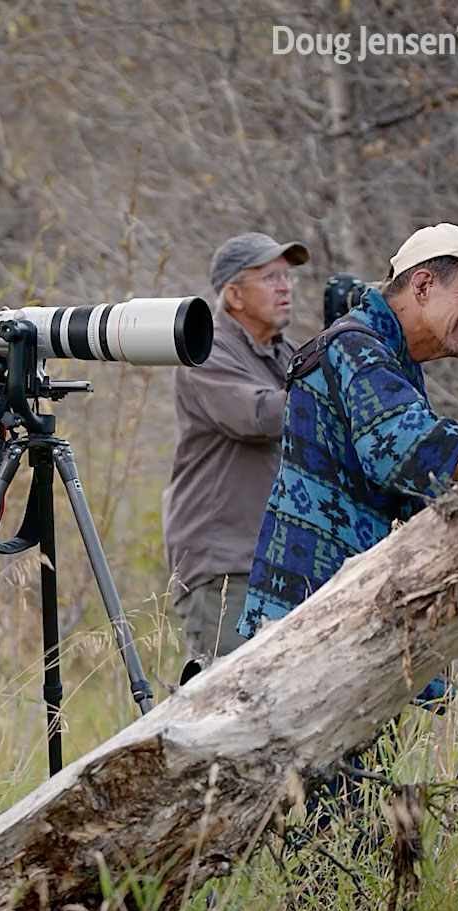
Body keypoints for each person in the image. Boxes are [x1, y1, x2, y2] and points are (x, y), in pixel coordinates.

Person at [236, 225, 458, 830]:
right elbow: (408, 454)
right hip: (317, 630)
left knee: (358, 823)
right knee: (330, 829)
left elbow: (424, 479)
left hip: (337, 627)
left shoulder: (381, 356)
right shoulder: (356, 348)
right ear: (425, 283)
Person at [162, 232, 309, 674]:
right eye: (269, 277)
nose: (285, 286)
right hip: (225, 567)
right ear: (234, 295)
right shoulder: (204, 350)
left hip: (276, 562)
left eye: (287, 277)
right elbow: (259, 417)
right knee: (232, 707)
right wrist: (336, 395)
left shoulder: (285, 353)